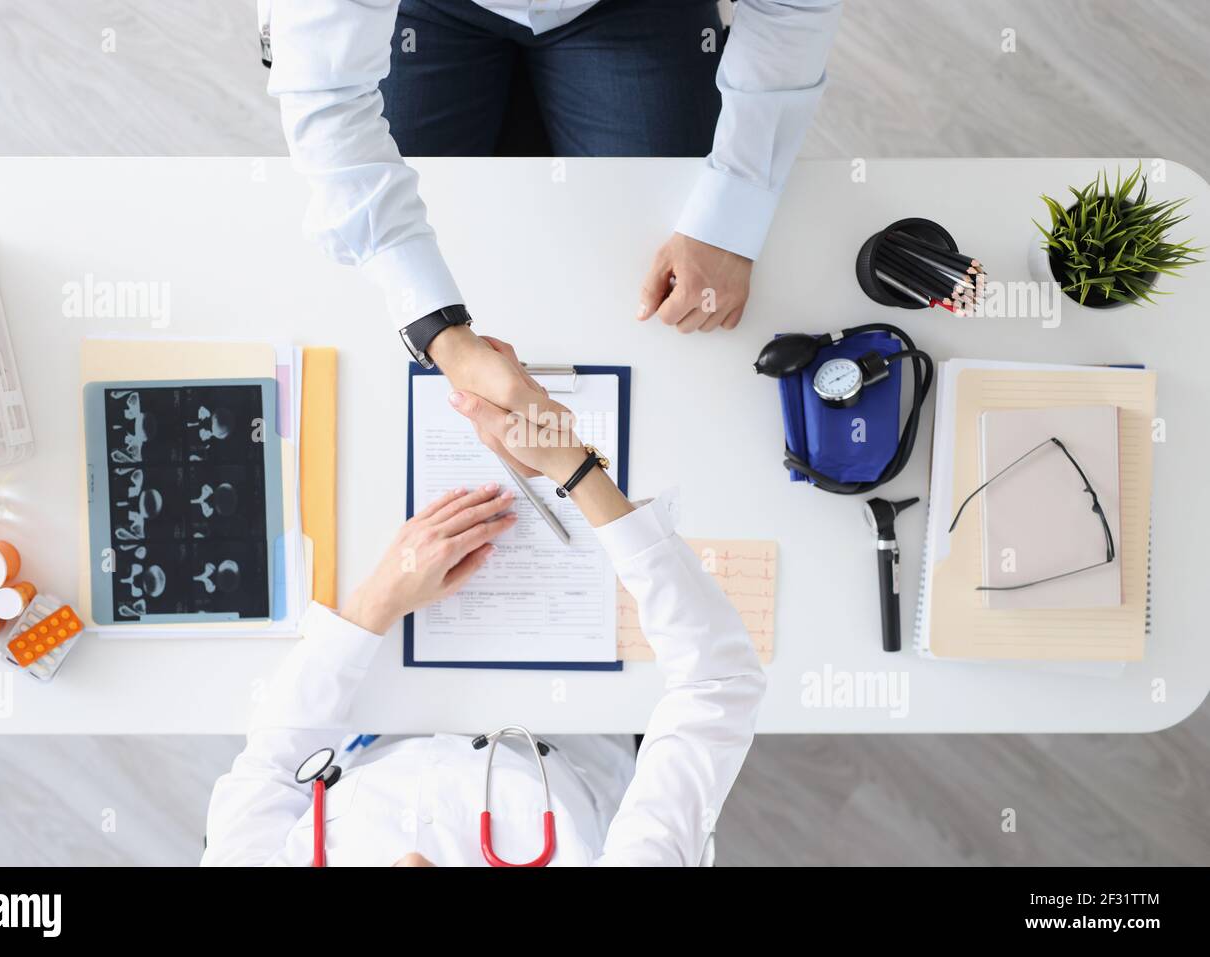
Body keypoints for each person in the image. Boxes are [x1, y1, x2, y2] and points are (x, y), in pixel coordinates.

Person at [202, 345, 765, 866]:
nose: (409, 863)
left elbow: (273, 768)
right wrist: (573, 468)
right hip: (579, 731)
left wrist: (378, 599)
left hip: (391, 713)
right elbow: (716, 684)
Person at [263, 0, 841, 461]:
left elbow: (794, 9)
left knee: (650, 258)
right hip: (422, 14)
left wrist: (732, 216)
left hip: (633, 10)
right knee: (367, 305)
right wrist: (435, 326)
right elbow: (327, 95)